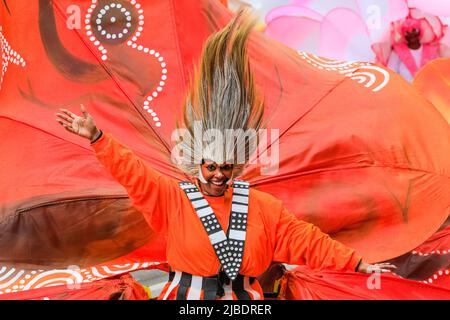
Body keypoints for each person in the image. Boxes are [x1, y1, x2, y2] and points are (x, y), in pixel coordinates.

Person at [55, 9, 395, 300]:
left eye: (226, 167)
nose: (219, 174)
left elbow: (307, 240)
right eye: (212, 166)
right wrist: (98, 137)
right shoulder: (172, 199)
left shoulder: (264, 208)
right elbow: (133, 174)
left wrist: (358, 265)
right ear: (197, 163)